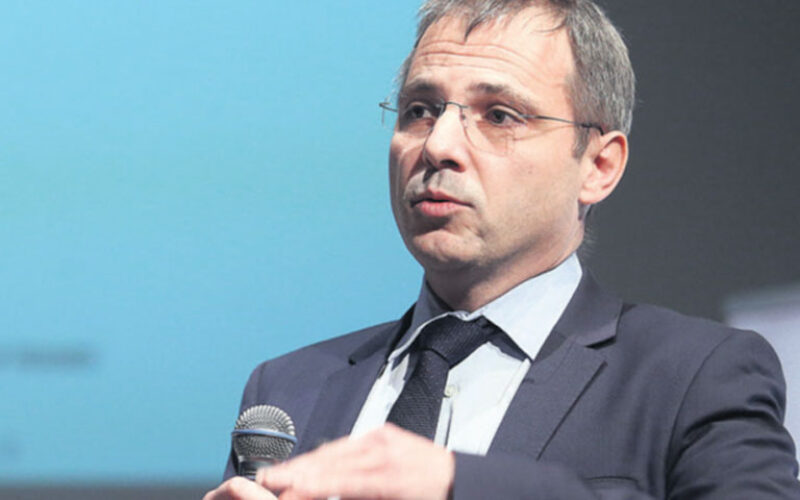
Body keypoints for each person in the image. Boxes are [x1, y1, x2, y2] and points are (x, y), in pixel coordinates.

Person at [204, 0, 800, 498]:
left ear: (598, 166)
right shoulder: (289, 388)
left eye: (499, 115)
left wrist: (456, 484)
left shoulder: (694, 377)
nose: (438, 144)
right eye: (419, 110)